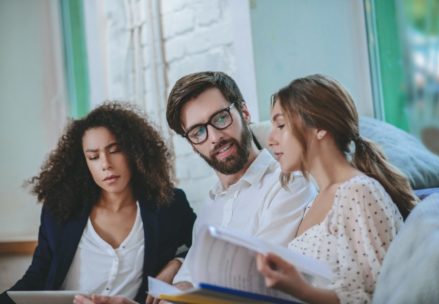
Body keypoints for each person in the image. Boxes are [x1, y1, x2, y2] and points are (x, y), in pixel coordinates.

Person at [73, 71, 316, 304]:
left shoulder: (287, 183)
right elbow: (183, 291)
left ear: (244, 111)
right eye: (198, 131)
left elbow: (258, 286)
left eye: (221, 118)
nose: (214, 137)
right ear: (191, 144)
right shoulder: (209, 210)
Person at [0, 102, 196, 304]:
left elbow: (201, 247)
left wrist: (176, 263)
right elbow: (36, 277)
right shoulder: (60, 209)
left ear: (134, 152)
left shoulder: (168, 205)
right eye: (93, 157)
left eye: (115, 150)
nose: (105, 164)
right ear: (84, 163)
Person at [256, 74, 417, 304]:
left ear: (319, 127)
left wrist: (301, 290)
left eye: (280, 125)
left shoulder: (359, 193)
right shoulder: (317, 199)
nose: (270, 139)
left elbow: (378, 297)